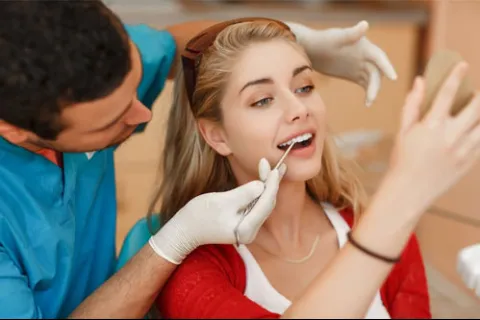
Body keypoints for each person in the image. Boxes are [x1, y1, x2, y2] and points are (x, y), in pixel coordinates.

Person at [0, 1, 400, 319]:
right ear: (13, 130)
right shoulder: (199, 272)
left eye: (305, 85)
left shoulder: (82, 59)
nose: (144, 114)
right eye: (111, 120)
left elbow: (181, 47)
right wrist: (175, 241)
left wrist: (291, 40)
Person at [153, 19, 480, 319]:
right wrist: (403, 194)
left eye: (304, 87)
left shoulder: (387, 233)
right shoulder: (191, 270)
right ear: (218, 135)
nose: (299, 109)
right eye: (262, 100)